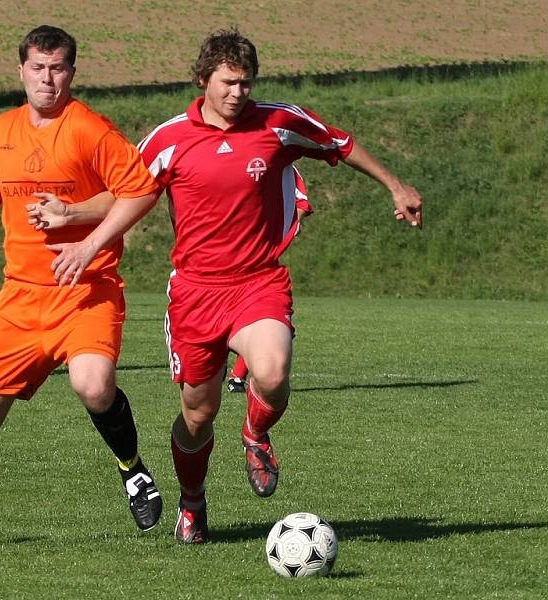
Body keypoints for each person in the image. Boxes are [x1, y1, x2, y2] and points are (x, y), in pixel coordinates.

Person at [136, 28, 423, 544]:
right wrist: (75, 223)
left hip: (257, 280)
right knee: (197, 416)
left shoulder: (278, 121)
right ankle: (193, 502)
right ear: (203, 80)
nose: (237, 93)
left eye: (246, 83)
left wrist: (395, 185)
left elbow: (341, 143)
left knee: (271, 371)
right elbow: (123, 194)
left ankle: (256, 432)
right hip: (196, 292)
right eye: (227, 82)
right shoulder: (167, 138)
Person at [0, 25, 163, 549]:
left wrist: (88, 245)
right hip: (22, 298)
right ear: (21, 70)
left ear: (72, 71)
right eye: (38, 68)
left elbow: (139, 191)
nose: (48, 78)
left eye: (59, 67)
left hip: (87, 288)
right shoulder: (1, 133)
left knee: (91, 384)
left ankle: (133, 470)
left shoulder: (90, 129)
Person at [227, 165, 312, 394]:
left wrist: (288, 228)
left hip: (263, 264)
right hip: (224, 262)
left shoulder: (286, 166)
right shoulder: (232, 160)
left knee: (268, 324)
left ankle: (238, 377)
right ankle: (234, 372)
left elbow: (302, 203)